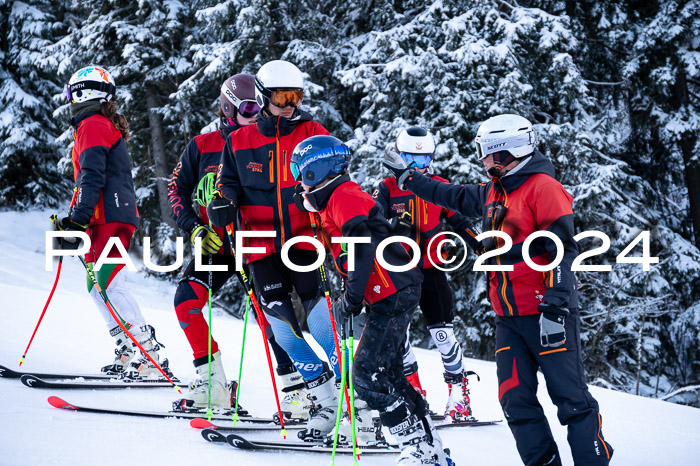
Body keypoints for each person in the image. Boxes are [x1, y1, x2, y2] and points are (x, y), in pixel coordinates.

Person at [384, 114, 614, 466]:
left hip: (546, 314)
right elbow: (451, 195)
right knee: (515, 400)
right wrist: (409, 180)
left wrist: (554, 308)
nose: (482, 160)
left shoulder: (543, 188)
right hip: (508, 317)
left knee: (571, 400)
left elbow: (562, 251)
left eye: (486, 154)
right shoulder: (496, 190)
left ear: (505, 152)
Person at [290, 135, 452, 465]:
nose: (298, 182)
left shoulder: (344, 195)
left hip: (392, 290)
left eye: (299, 172)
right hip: (391, 290)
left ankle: (415, 446)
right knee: (389, 373)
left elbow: (361, 248)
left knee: (364, 375)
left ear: (315, 171)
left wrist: (351, 299)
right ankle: (428, 444)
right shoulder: (336, 196)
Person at [207, 60, 341, 432]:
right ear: (264, 97)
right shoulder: (238, 141)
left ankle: (353, 403)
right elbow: (227, 183)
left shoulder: (313, 131)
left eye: (296, 97)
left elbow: (337, 174)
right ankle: (325, 400)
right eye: (282, 97)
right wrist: (223, 203)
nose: (290, 105)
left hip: (303, 240)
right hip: (259, 246)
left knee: (322, 324)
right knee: (283, 329)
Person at [167, 73, 308, 413]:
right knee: (186, 301)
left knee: (271, 317)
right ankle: (212, 382)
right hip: (217, 245)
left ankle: (299, 392)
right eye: (247, 109)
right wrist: (194, 228)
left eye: (259, 107)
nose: (255, 114)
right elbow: (177, 190)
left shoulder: (266, 141)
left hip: (255, 243)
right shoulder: (202, 146)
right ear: (228, 108)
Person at [53, 65, 166, 378]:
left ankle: (149, 356)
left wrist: (78, 219)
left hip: (112, 216)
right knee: (96, 287)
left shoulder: (92, 123)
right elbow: (87, 179)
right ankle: (129, 350)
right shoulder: (94, 124)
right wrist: (76, 217)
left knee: (109, 284)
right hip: (102, 217)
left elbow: (92, 176)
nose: (70, 99)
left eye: (71, 93)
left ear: (82, 92)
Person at [374, 126, 482, 421]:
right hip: (400, 274)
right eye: (410, 159)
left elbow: (459, 220)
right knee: (401, 337)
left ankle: (459, 395)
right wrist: (389, 230)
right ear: (398, 156)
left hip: (433, 269)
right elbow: (372, 222)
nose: (417, 167)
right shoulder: (387, 188)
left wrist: (479, 243)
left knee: (443, 334)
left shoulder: (438, 185)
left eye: (423, 160)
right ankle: (414, 393)